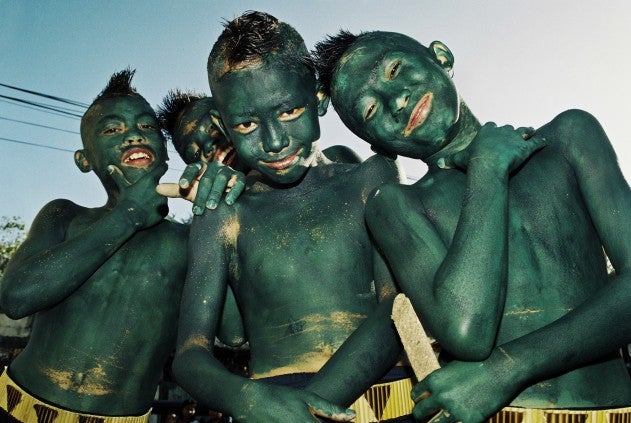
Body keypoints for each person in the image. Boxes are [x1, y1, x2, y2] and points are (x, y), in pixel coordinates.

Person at [313, 30, 631, 422]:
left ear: (441, 57)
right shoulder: (397, 206)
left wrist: (508, 368)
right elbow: (467, 331)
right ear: (377, 145)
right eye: (370, 112)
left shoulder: (569, 137)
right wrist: (487, 169)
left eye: (395, 70)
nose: (395, 102)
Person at [172, 11, 416, 423]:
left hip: (385, 401)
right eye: (247, 123)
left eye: (288, 112)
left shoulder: (369, 176)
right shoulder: (224, 213)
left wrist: (312, 406)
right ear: (223, 126)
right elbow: (190, 354)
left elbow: (398, 306)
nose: (273, 141)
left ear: (319, 96)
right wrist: (248, 401)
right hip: (272, 404)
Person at [0, 69, 188, 422]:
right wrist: (128, 215)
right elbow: (16, 297)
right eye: (112, 129)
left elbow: (232, 332)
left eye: (148, 127)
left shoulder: (190, 241)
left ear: (165, 149)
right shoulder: (64, 216)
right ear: (84, 160)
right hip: (13, 407)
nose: (133, 134)